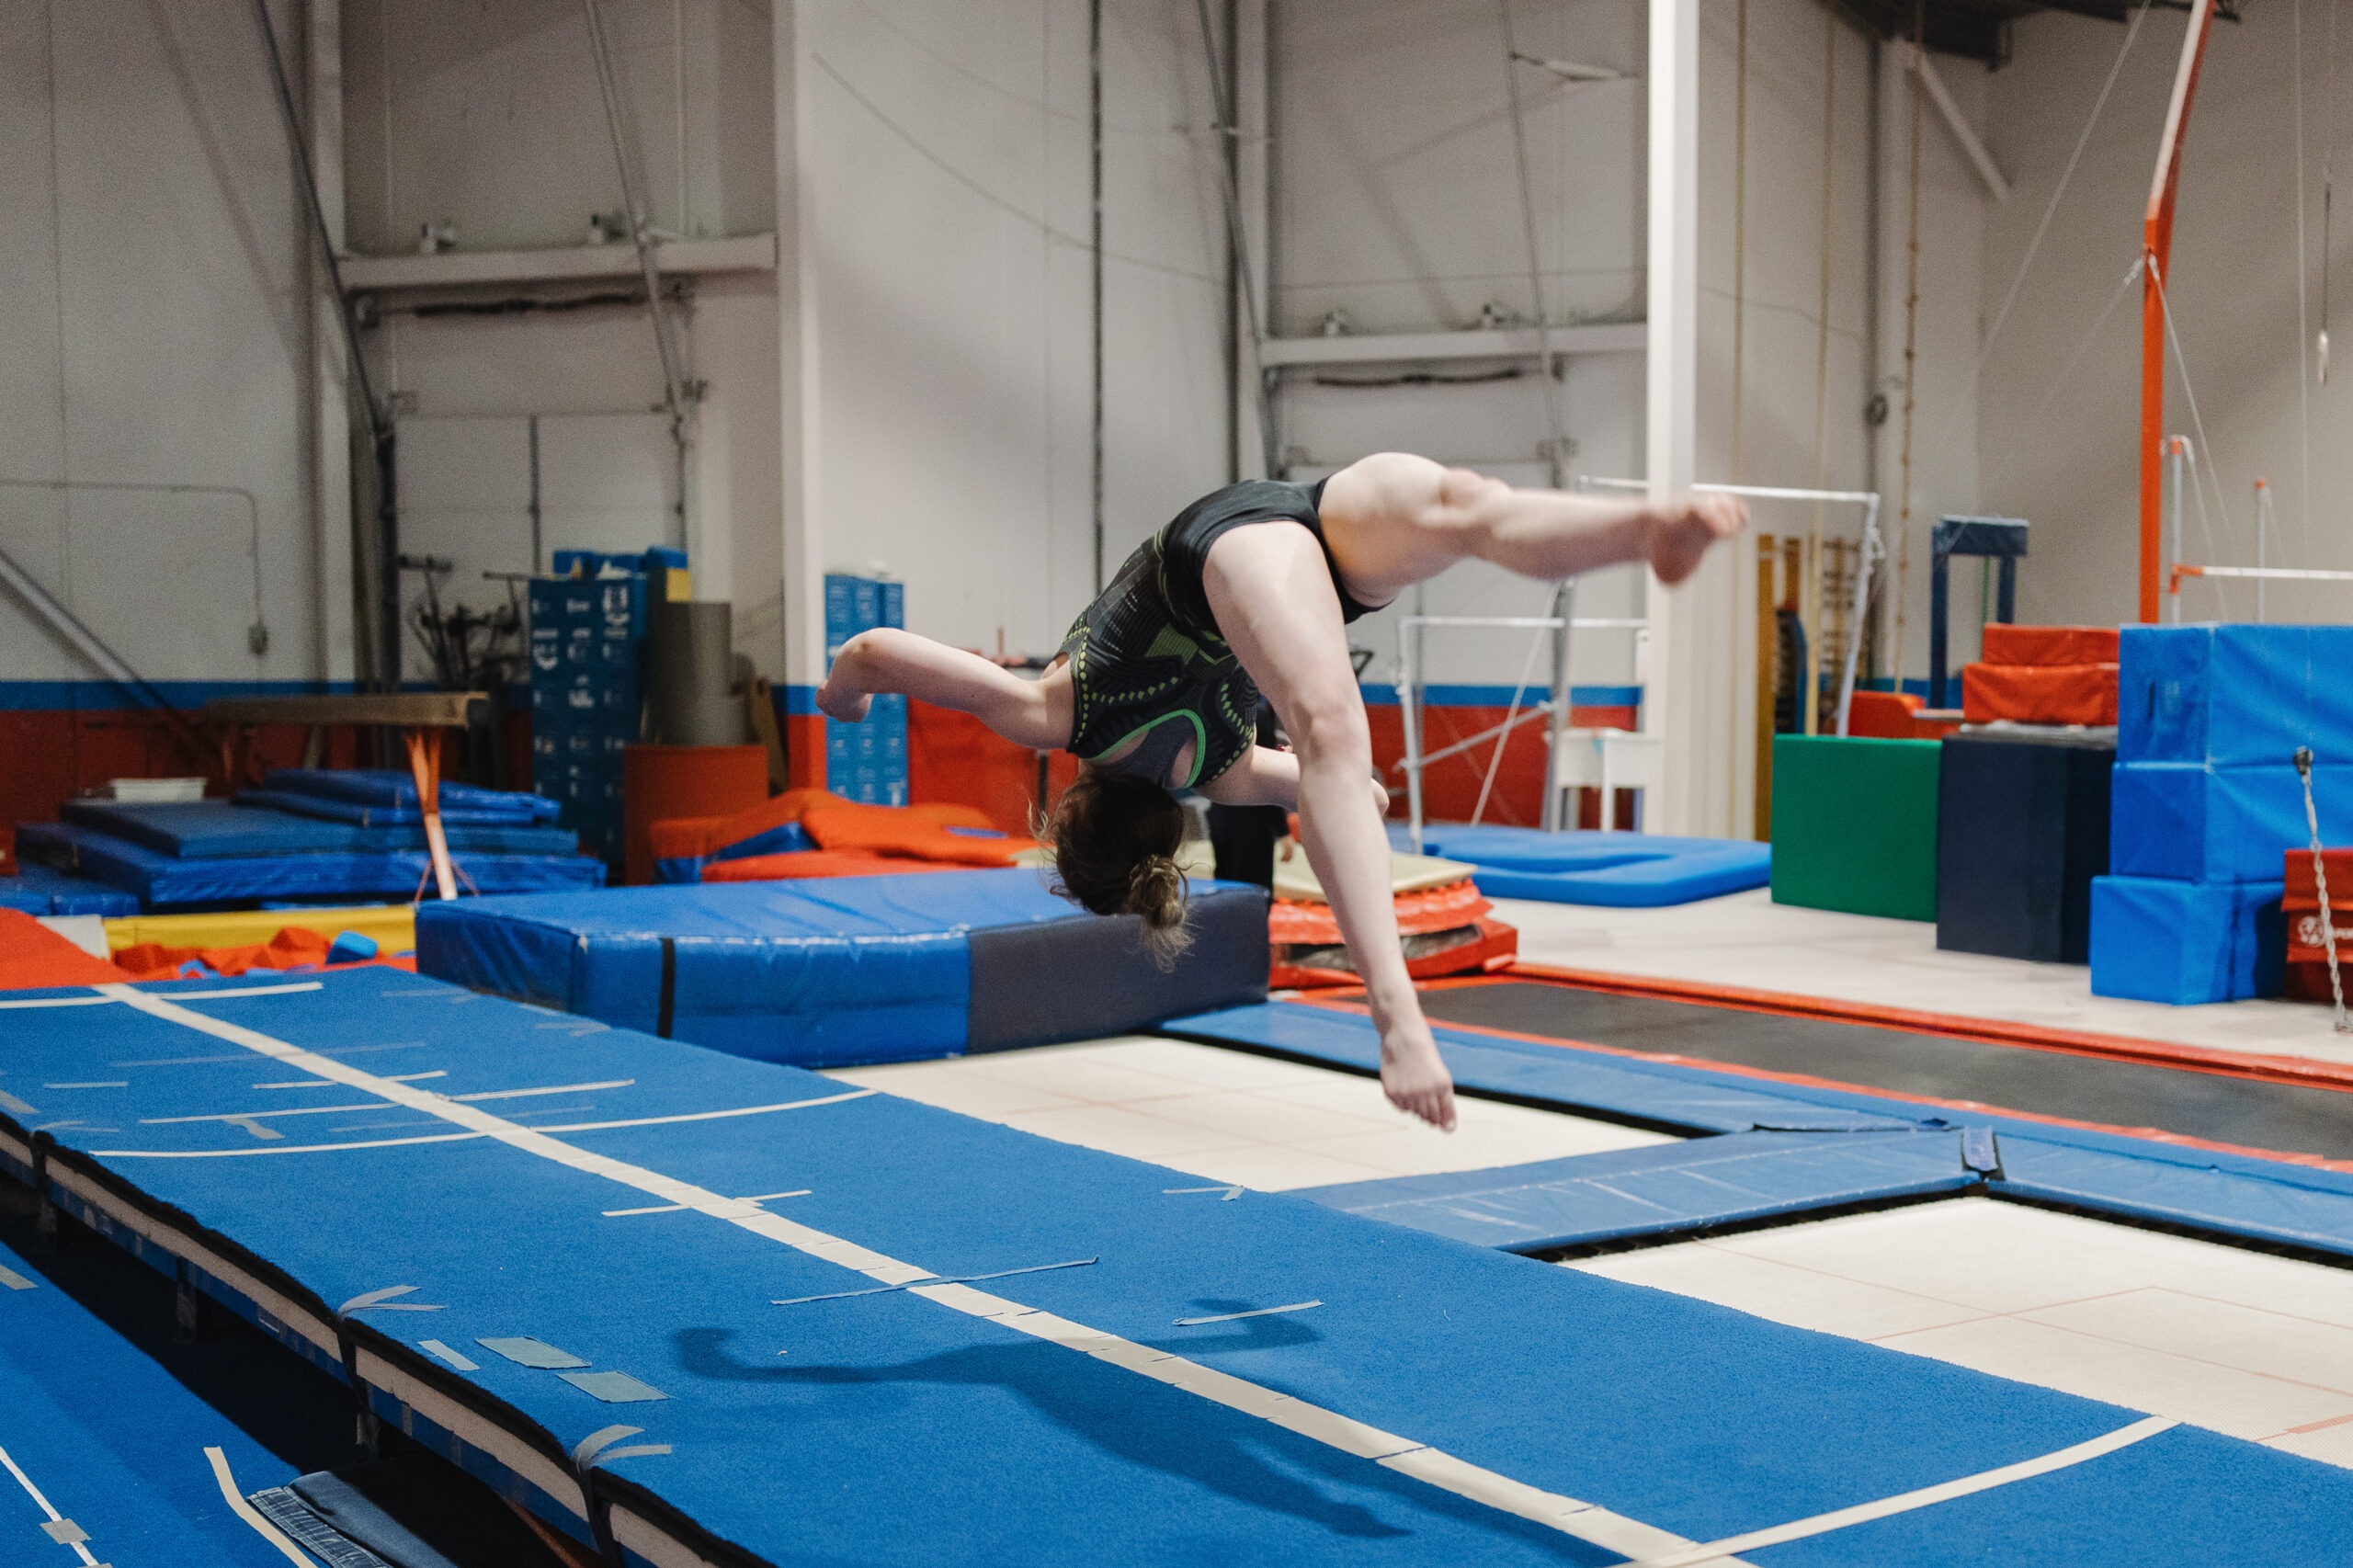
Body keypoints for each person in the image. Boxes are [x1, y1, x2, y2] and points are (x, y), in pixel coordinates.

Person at [817, 453, 1745, 1131]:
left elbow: (1351, 791)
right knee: (1471, 509)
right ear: (1065, 811)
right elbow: (868, 652)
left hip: (1268, 552)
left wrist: (1344, 797)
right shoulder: (1058, 717)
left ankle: (1650, 532)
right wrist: (842, 696)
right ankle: (1642, 527)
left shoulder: (1210, 769)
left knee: (1337, 731)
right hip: (1270, 527)